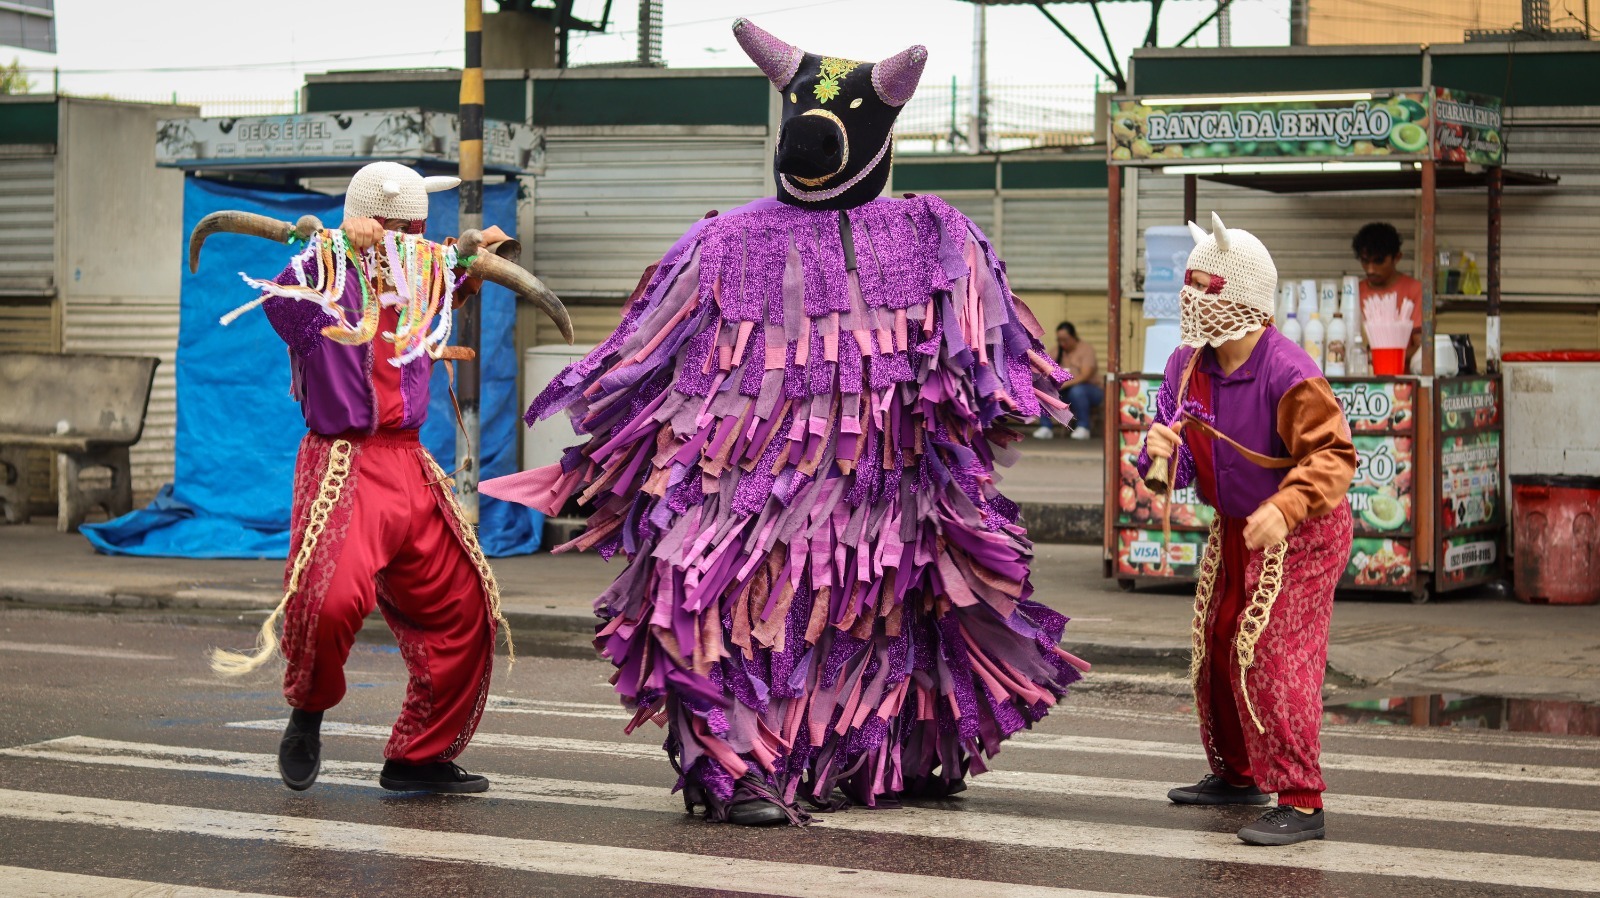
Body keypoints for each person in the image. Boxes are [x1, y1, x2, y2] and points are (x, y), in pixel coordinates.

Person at [482, 18, 1087, 826]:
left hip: (889, 495)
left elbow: (978, 368)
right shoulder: (727, 246)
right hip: (750, 497)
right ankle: (740, 770)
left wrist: (959, 457)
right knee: (747, 621)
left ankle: (884, 757)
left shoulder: (929, 234)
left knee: (889, 617)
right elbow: (643, 363)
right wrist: (629, 460)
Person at [194, 162, 571, 796]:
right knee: (330, 598)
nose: (414, 239)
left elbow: (462, 273)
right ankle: (306, 714)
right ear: (371, 221)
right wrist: (331, 247)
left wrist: (475, 253)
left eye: (421, 228)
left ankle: (417, 757)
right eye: (403, 227)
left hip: (410, 464)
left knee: (465, 607)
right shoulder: (321, 272)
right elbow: (284, 306)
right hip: (342, 461)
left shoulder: (425, 273)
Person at [1140, 212, 1355, 846]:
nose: (1194, 302)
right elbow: (1172, 471)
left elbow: (1334, 457)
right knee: (1218, 639)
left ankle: (1301, 797)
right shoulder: (1184, 365)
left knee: (1271, 651)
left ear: (1243, 299)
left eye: (1206, 290)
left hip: (1304, 529)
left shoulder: (1289, 372)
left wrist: (1286, 508)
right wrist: (1157, 453)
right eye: (1192, 289)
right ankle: (1237, 774)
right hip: (1240, 523)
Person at [1352, 222, 1424, 360]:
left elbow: (1421, 347)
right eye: (1365, 261)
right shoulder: (1354, 293)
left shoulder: (1415, 290)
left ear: (1397, 257)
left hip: (1402, 378)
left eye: (1378, 261)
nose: (1370, 269)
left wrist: (1382, 359)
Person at [1032, 321, 1099, 440]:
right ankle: (1045, 427)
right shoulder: (1056, 351)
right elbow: (1044, 369)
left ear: (1073, 337)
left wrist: (1065, 384)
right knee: (1043, 391)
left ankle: (1083, 427)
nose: (1062, 343)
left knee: (1077, 391)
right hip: (1065, 391)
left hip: (1090, 390)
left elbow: (1085, 375)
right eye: (1059, 340)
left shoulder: (1086, 350)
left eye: (1065, 339)